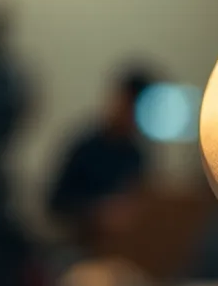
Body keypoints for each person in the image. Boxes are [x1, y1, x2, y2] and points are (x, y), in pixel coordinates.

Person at [48, 66, 154, 251]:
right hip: (81, 246)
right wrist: (97, 213)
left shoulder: (137, 154)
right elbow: (56, 203)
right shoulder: (85, 147)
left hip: (125, 250)